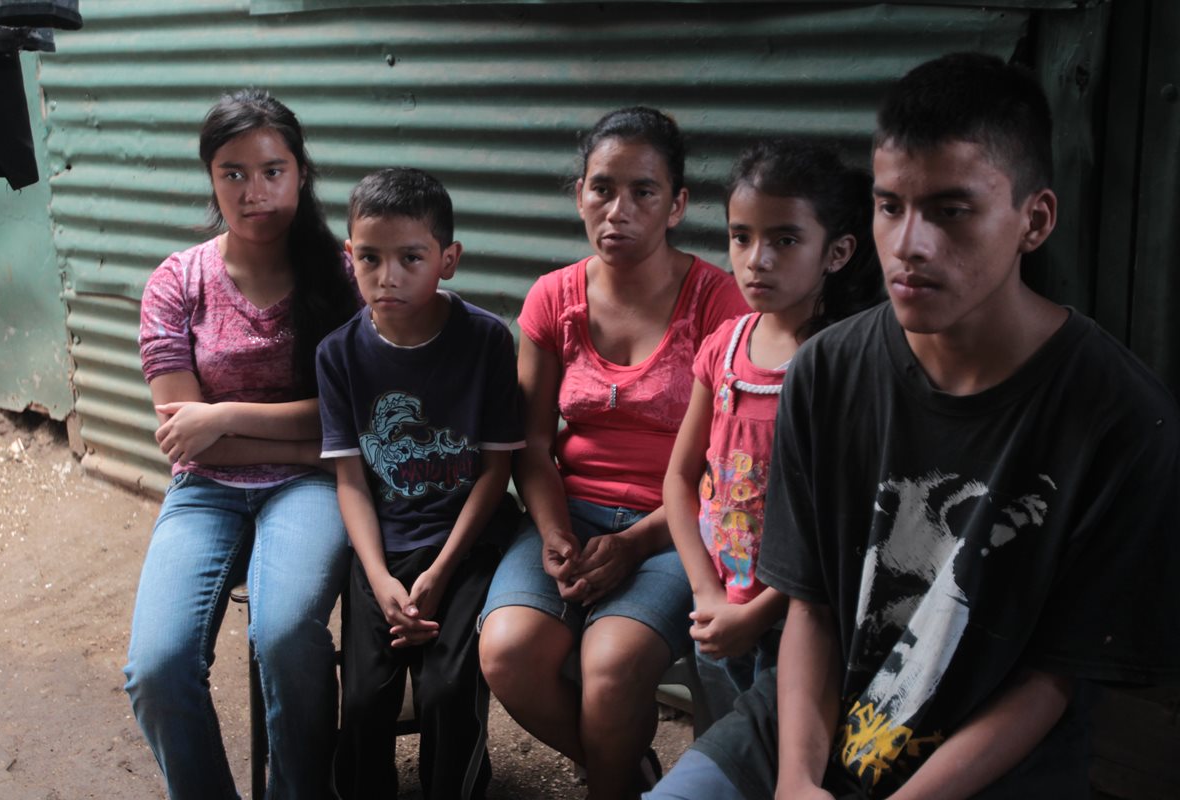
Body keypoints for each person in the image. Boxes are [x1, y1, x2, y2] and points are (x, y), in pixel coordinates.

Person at [646, 51, 1180, 800]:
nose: (909, 244)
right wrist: (798, 780)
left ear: (1036, 220)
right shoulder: (826, 373)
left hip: (990, 769)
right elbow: (814, 606)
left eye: (951, 210)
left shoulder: (1125, 421)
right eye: (891, 206)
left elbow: (1054, 679)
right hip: (800, 729)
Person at [477, 106, 749, 799]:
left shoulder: (717, 303)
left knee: (611, 663)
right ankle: (625, 775)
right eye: (602, 188)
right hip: (571, 515)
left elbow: (724, 470)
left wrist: (635, 545)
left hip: (676, 527)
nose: (618, 210)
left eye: (644, 192)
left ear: (678, 205)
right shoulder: (552, 298)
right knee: (508, 652)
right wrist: (553, 531)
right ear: (579, 195)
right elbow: (532, 445)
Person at [124, 89, 359, 799]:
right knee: (156, 667)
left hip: (313, 488)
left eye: (272, 171)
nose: (254, 193)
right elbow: (184, 440)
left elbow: (351, 414)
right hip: (209, 492)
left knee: (286, 638)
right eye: (233, 174)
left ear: (301, 173)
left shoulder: (346, 273)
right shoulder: (176, 284)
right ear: (211, 180)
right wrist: (309, 439)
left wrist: (222, 414)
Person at [316, 167, 524, 799]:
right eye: (370, 258)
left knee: (448, 690)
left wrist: (441, 571)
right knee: (367, 702)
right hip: (382, 546)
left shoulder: (486, 340)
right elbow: (351, 478)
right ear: (348, 257)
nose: (389, 276)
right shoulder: (339, 354)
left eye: (411, 257)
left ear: (448, 260)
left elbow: (496, 470)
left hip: (466, 542)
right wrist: (380, 579)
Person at [662, 140, 882, 724]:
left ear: (836, 252)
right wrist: (708, 595)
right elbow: (682, 478)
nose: (756, 259)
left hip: (800, 617)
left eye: (784, 240)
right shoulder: (725, 346)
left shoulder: (844, 365)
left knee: (784, 747)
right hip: (715, 606)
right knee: (729, 744)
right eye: (741, 236)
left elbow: (845, 523)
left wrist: (756, 615)